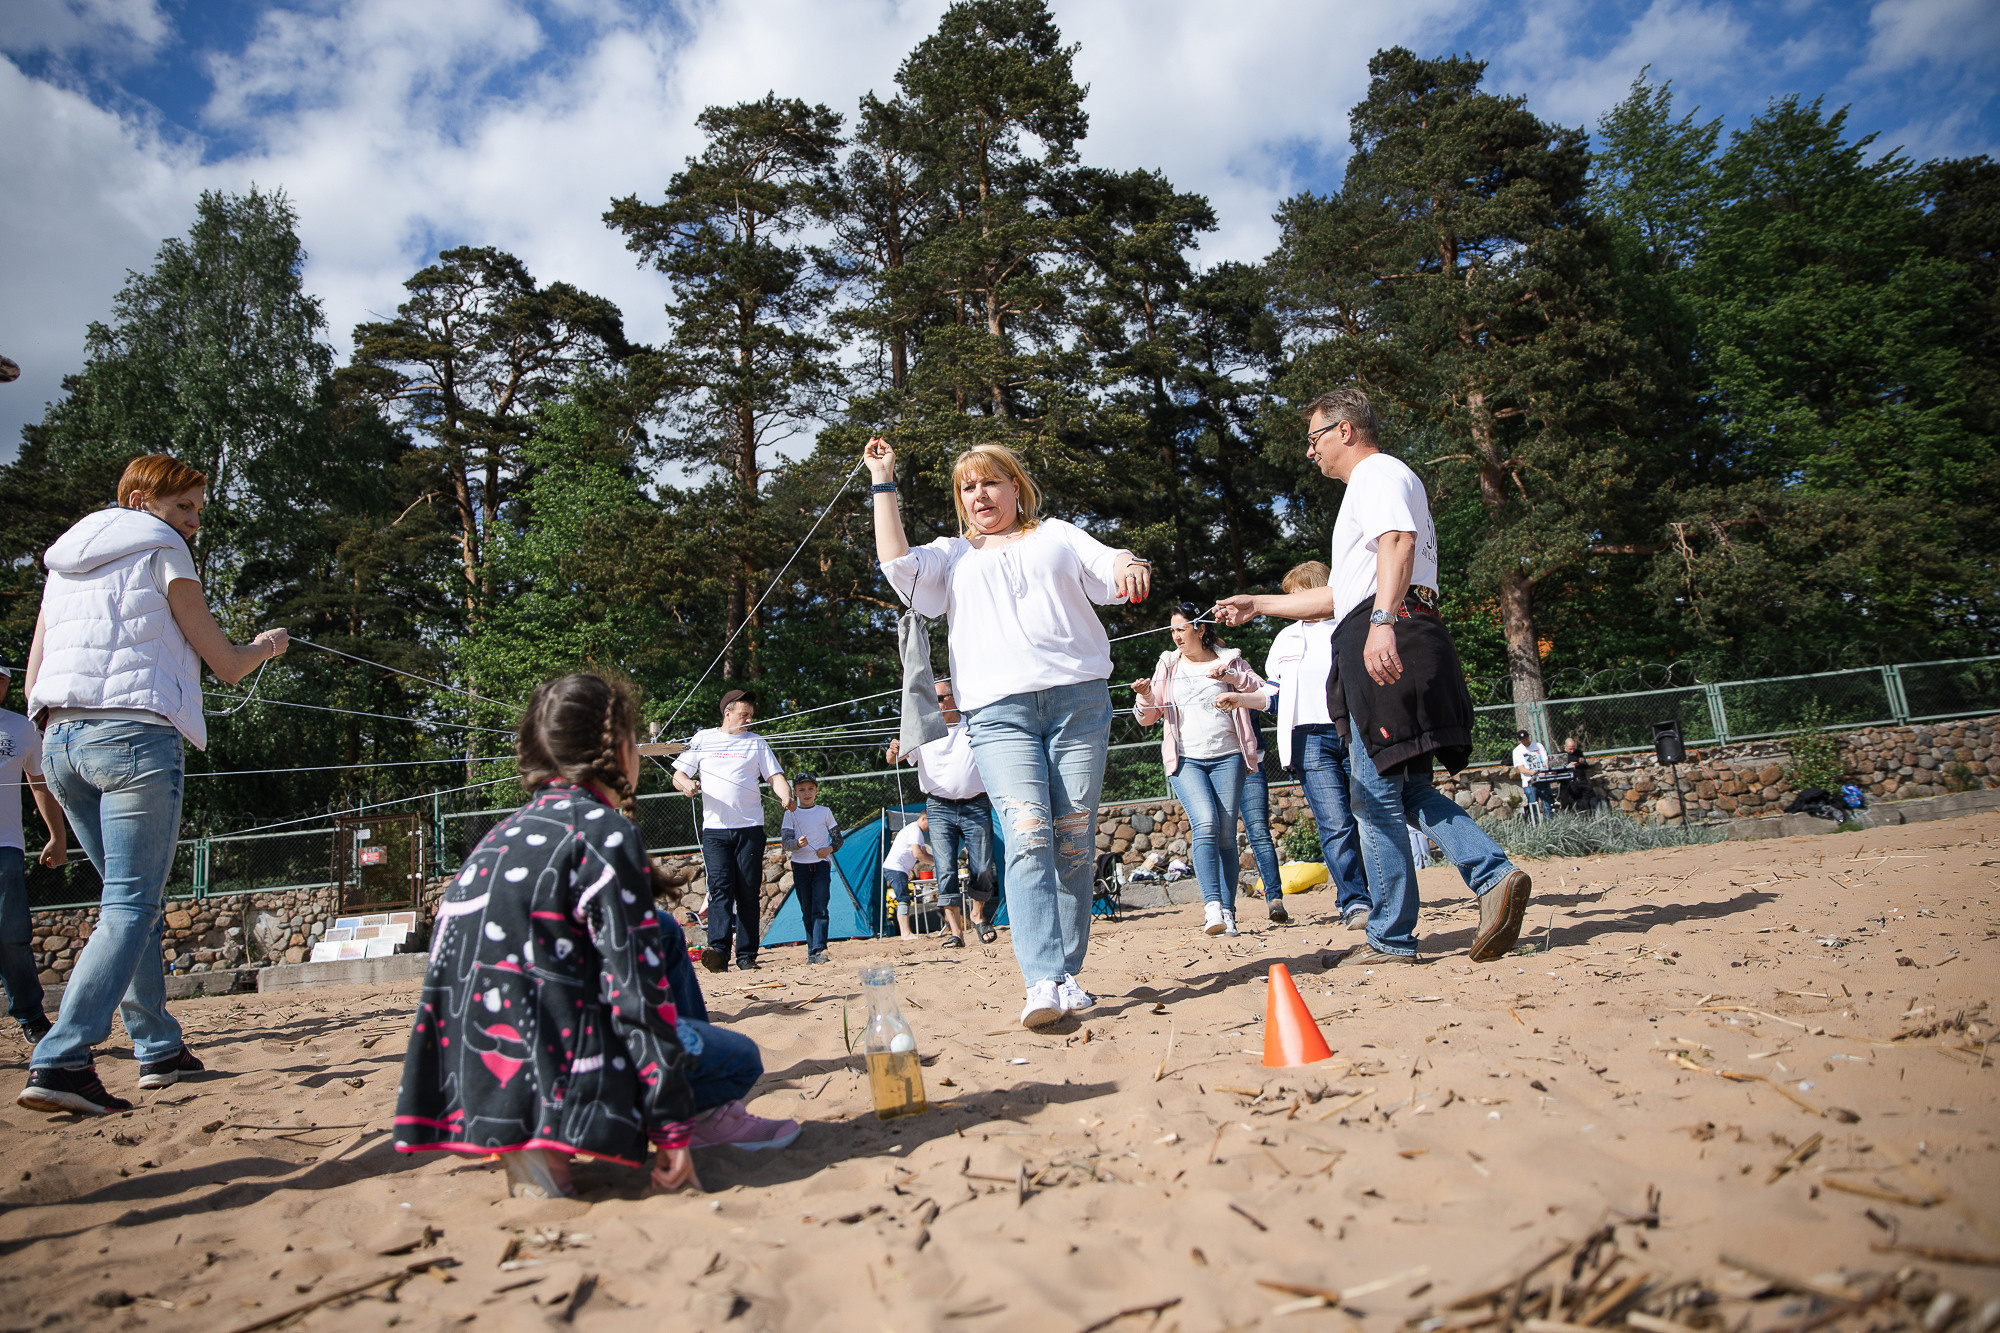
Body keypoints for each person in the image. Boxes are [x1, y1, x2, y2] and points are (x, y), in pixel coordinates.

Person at [396, 674, 799, 1200]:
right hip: (562, 1072)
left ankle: (534, 1143)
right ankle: (687, 1119)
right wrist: (673, 1126)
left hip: (468, 1080)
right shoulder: (605, 832)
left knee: (664, 935)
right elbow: (636, 993)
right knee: (740, 1057)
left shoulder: (498, 837)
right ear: (619, 751)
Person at [1215, 387, 1531, 967]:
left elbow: (1397, 544)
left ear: (1345, 431)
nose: (1309, 453)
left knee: (1371, 795)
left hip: (1387, 631)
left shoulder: (1377, 473)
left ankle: (1391, 936)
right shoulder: (1373, 487)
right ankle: (1493, 875)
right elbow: (1340, 594)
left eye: (1313, 439)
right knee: (1399, 785)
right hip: (1390, 624)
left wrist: (1383, 620)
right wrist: (1258, 604)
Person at [17, 455, 288, 1116]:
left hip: (61, 744)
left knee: (124, 903)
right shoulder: (161, 547)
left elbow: (32, 681)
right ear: (140, 498)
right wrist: (268, 646)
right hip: (136, 743)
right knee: (133, 905)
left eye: (196, 510)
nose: (193, 523)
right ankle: (62, 1057)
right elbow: (223, 663)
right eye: (185, 507)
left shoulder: (62, 564)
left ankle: (157, 1046)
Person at [866, 436, 1150, 1028]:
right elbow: (896, 561)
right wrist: (883, 481)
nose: (980, 495)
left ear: (1015, 487)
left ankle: (1067, 974)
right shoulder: (950, 556)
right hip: (997, 714)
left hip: (1079, 702)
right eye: (968, 487)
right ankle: (1042, 979)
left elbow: (1107, 562)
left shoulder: (1057, 535)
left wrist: (1128, 564)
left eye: (990, 482)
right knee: (1027, 834)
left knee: (1073, 836)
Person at [1219, 561, 1371, 932]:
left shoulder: (1352, 624)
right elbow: (1275, 694)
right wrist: (1242, 697)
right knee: (1334, 823)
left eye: (1297, 593)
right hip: (1306, 737)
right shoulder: (1285, 639)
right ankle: (1354, 902)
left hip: (1355, 729)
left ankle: (1382, 893)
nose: (1290, 601)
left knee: (1368, 817)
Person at [1132, 604, 1267, 938]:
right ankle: (1211, 908)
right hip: (1186, 759)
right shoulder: (1168, 663)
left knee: (1225, 834)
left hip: (1228, 757)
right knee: (1205, 822)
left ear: (1200, 629)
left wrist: (1233, 682)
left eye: (1182, 629)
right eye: (1173, 630)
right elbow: (1148, 717)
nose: (1176, 636)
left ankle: (1228, 913)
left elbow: (1264, 692)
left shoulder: (1230, 659)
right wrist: (1147, 695)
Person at [672, 689, 794, 973]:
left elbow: (775, 777)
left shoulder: (757, 743)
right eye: (744, 714)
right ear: (727, 714)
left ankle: (747, 956)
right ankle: (718, 952)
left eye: (751, 715)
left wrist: (786, 795)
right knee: (720, 891)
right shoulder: (703, 738)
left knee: (748, 893)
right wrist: (686, 785)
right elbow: (679, 774)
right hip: (715, 831)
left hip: (750, 829)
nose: (749, 719)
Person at [886, 677, 998, 949]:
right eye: (930, 699)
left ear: (954, 698)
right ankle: (956, 932)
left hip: (976, 803)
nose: (933, 704)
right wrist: (892, 750)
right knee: (944, 868)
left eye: (938, 698)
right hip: (938, 807)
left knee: (982, 866)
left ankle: (978, 915)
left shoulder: (974, 723)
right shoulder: (922, 729)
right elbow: (893, 760)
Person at [2, 664, 68, 1044]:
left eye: (2, 679)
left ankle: (30, 1015)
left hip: (5, 846)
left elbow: (39, 781)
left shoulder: (19, 727)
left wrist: (56, 835)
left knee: (11, 935)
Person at [779, 775, 841, 964]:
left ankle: (821, 948)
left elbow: (838, 839)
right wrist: (797, 844)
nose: (806, 793)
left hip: (821, 865)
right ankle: (811, 951)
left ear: (816, 791)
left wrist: (829, 849)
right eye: (802, 790)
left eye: (810, 789)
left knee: (820, 906)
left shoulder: (825, 812)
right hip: (800, 866)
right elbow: (786, 843)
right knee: (807, 908)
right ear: (795, 793)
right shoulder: (790, 814)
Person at [881, 814, 934, 938]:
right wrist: (936, 862)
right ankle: (905, 933)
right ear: (923, 818)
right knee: (903, 898)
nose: (930, 827)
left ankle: (906, 932)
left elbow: (924, 853)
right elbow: (918, 854)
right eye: (930, 822)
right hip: (895, 868)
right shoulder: (914, 830)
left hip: (900, 869)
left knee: (904, 898)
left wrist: (937, 861)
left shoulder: (918, 832)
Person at [1512, 729, 1553, 819]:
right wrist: (1534, 773)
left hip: (1543, 779)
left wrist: (1545, 770)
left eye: (1526, 739)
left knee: (1547, 805)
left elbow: (1546, 760)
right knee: (1533, 806)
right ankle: (1535, 825)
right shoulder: (1517, 751)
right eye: (1523, 740)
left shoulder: (1538, 746)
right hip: (1529, 782)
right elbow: (1521, 769)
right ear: (1519, 740)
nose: (1525, 741)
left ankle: (1549, 823)